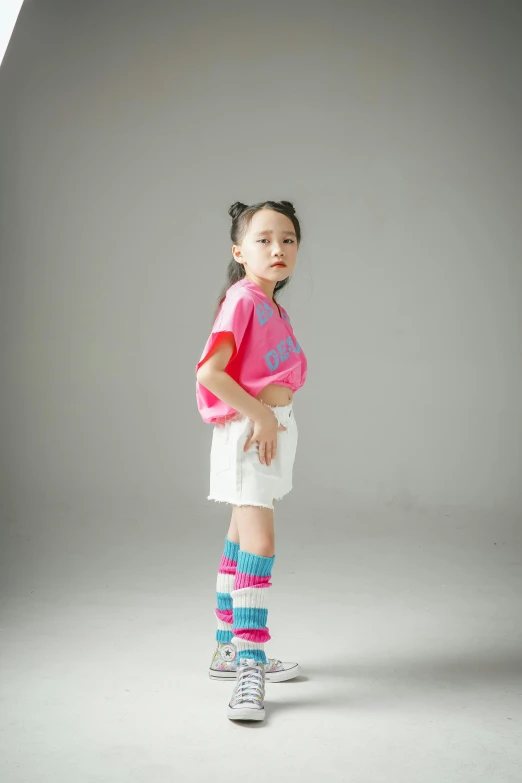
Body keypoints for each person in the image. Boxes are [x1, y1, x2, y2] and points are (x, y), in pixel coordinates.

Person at [195, 199, 308, 722]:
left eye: (287, 239)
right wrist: (262, 418)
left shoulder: (268, 303)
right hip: (250, 431)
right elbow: (210, 373)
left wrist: (271, 420)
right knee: (260, 543)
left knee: (241, 537)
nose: (277, 248)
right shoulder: (242, 299)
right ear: (239, 251)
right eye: (263, 239)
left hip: (265, 429)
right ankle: (250, 666)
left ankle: (226, 649)